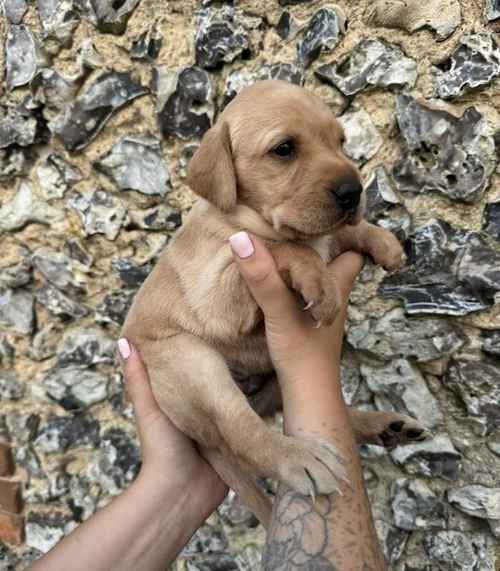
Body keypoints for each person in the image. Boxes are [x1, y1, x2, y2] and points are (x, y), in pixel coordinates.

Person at [29, 232, 385, 571]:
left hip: (240, 379)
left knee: (262, 393)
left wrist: (361, 235)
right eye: (282, 161)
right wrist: (310, 372)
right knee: (204, 369)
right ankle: (264, 447)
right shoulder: (217, 225)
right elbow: (230, 315)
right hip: (187, 364)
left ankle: (343, 422)